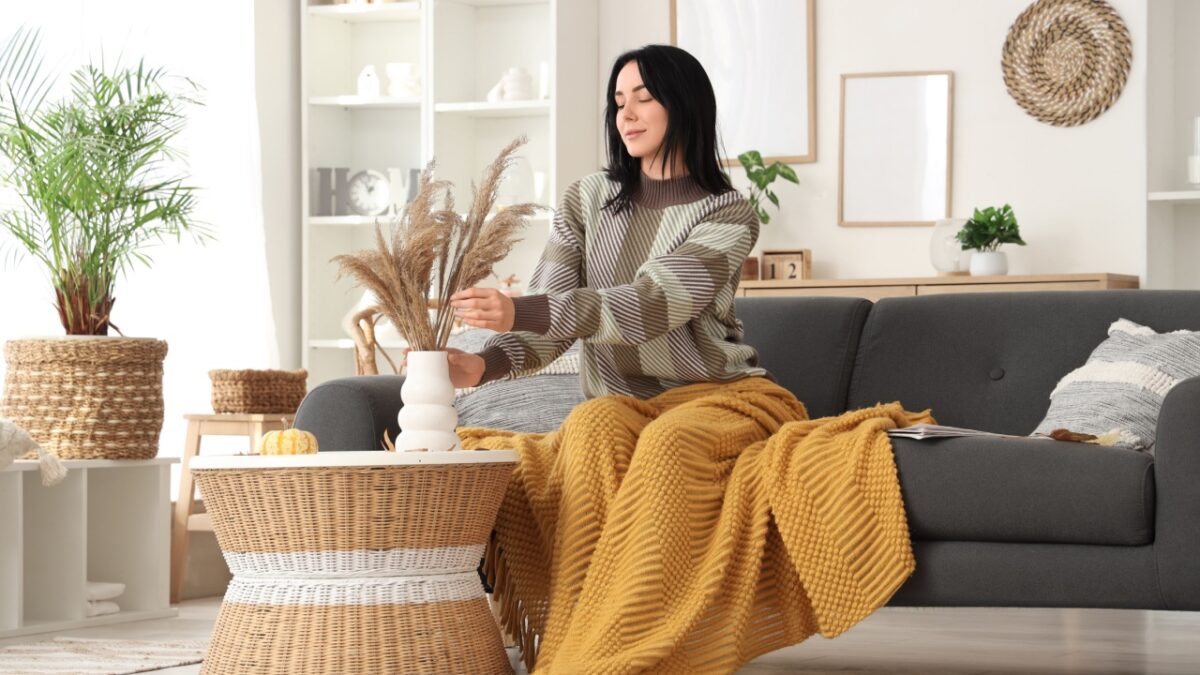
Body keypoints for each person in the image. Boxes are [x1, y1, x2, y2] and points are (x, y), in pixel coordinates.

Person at [443, 45, 924, 674]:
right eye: (619, 101)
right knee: (587, 429)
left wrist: (521, 312)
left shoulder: (727, 213)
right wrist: (485, 364)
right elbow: (554, 316)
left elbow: (650, 306)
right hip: (618, 402)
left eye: (644, 97)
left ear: (685, 104)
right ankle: (571, 650)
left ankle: (626, 656)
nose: (627, 113)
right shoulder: (587, 199)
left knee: (669, 445)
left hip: (721, 397)